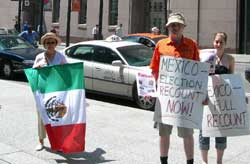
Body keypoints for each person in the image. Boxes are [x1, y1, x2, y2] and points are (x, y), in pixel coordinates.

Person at [150, 12, 200, 164]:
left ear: (183, 27)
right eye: (172, 25)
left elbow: (198, 71)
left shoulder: (192, 45)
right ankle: (163, 161)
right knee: (164, 132)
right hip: (165, 96)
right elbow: (154, 69)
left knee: (187, 133)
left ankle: (190, 161)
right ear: (168, 27)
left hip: (186, 98)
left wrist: (199, 93)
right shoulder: (161, 45)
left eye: (178, 24)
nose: (175, 27)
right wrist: (157, 88)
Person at [199, 32, 234, 164]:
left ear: (225, 44)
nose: (218, 44)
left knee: (221, 132)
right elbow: (200, 77)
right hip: (207, 100)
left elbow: (232, 80)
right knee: (204, 132)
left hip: (222, 101)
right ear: (213, 42)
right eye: (216, 41)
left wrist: (239, 97)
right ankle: (205, 162)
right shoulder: (206, 57)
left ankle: (219, 161)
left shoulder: (230, 59)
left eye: (221, 42)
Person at [33, 32, 67, 151]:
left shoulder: (61, 57)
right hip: (43, 91)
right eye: (47, 42)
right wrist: (37, 68)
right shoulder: (39, 57)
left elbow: (67, 72)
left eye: (52, 42)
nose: (50, 44)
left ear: (56, 44)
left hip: (57, 91)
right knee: (42, 116)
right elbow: (33, 73)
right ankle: (41, 141)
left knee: (57, 117)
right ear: (44, 44)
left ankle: (58, 143)